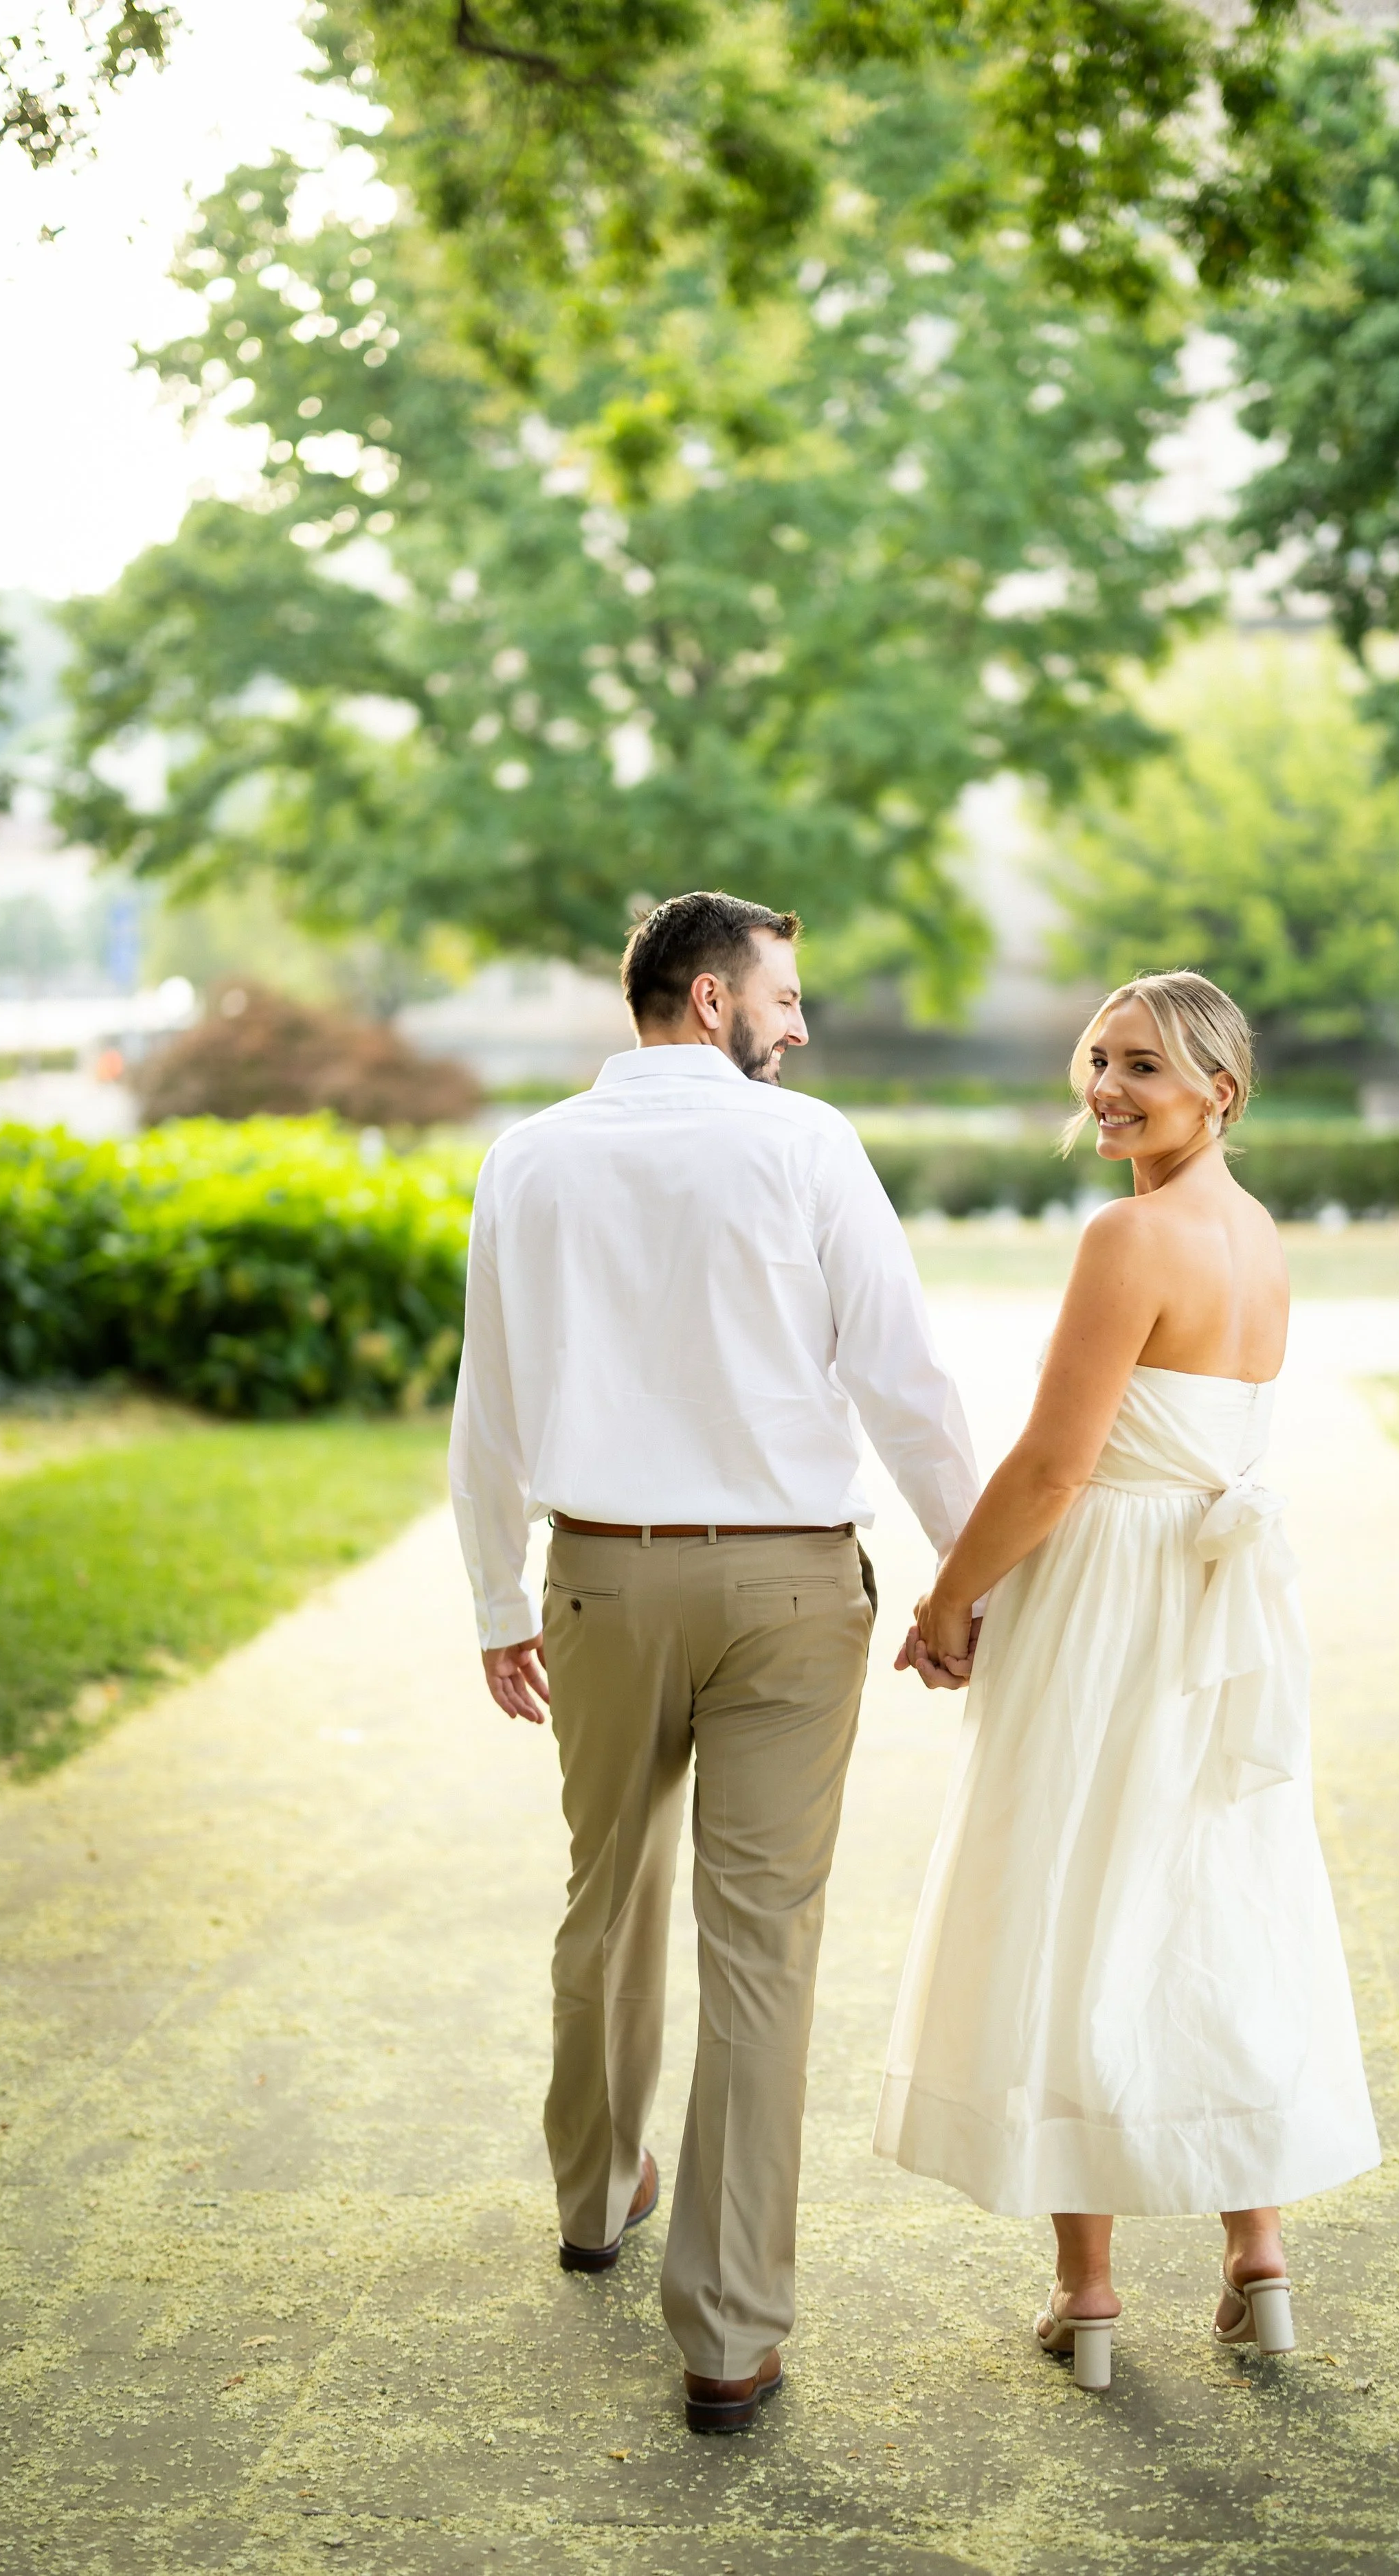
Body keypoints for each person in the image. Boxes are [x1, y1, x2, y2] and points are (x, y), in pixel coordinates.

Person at [449, 890, 978, 2433]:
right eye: (784, 997)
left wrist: (497, 1598)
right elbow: (901, 1377)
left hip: (599, 1580)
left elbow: (489, 1402)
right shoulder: (804, 1146)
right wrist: (973, 1571)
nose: (798, 1025)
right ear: (704, 1001)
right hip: (793, 1591)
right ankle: (728, 2337)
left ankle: (595, 2195)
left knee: (602, 1891)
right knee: (760, 1945)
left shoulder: (526, 1156)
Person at [874, 970, 1380, 2387]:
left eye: (1140, 1067)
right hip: (1212, 1604)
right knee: (1209, 1902)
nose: (1103, 1088)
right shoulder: (1261, 1239)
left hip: (1106, 1598)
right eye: (1094, 1059)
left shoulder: (1127, 1237)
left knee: (1067, 1895)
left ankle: (1088, 2293)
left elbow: (1051, 1467)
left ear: (1216, 1090)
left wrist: (946, 1598)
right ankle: (1254, 2258)